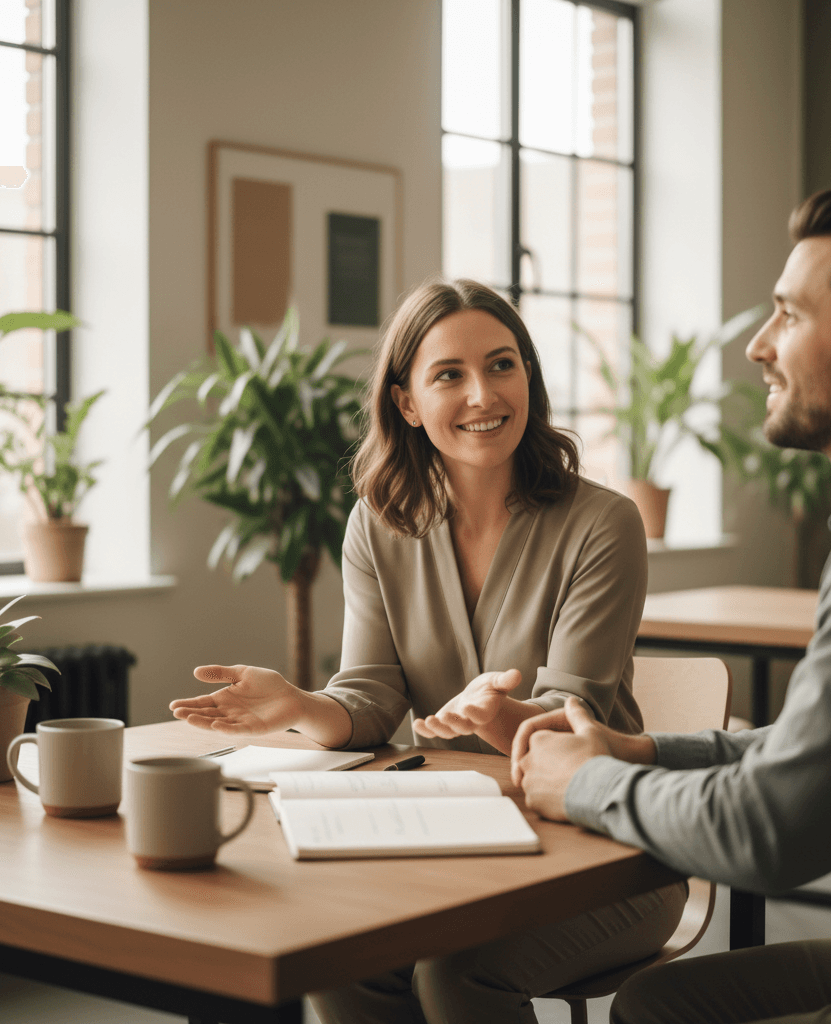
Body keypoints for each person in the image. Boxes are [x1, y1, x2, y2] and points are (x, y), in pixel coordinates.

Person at [170, 279, 686, 1024]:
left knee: (456, 977)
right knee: (341, 956)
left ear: (529, 377)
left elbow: (573, 721)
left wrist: (499, 715)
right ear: (407, 403)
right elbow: (370, 701)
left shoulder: (603, 523)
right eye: (449, 375)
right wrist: (300, 706)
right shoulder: (378, 524)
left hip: (610, 853)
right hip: (450, 838)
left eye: (502, 365)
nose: (483, 394)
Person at [513, 189, 831, 1024]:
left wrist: (589, 784)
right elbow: (805, 752)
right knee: (655, 1005)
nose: (758, 345)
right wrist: (640, 751)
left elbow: (775, 830)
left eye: (789, 314)